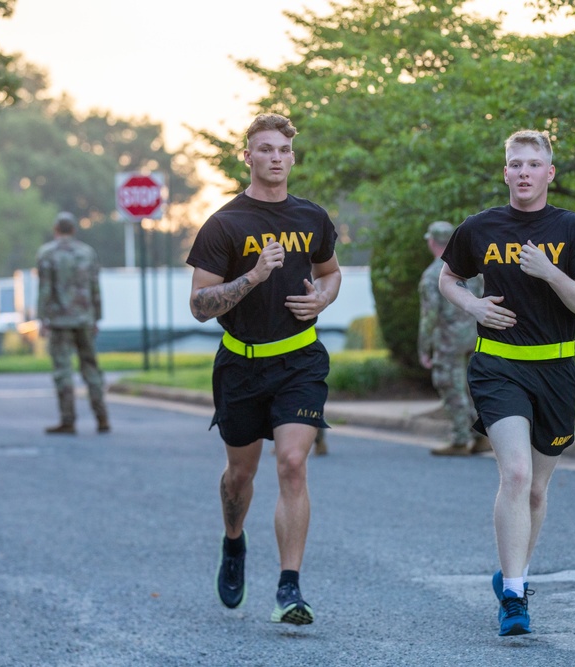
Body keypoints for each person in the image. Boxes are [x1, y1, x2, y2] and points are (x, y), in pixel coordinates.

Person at [438, 130, 575, 636]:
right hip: (497, 365)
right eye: (516, 164)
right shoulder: (479, 228)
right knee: (514, 474)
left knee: (536, 489)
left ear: (550, 173)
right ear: (505, 171)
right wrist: (473, 306)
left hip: (554, 369)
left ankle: (514, 572)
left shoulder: (574, 230)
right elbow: (449, 278)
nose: (524, 172)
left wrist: (551, 272)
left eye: (534, 164)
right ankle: (514, 597)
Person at [186, 112, 341, 626]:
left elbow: (330, 272)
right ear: (247, 156)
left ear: (292, 157)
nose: (275, 158)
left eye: (283, 150)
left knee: (293, 463)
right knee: (239, 475)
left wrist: (321, 300)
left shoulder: (312, 217)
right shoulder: (225, 224)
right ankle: (234, 543)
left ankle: (289, 588)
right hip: (242, 365)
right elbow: (200, 304)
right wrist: (254, 275)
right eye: (265, 149)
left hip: (300, 359)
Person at [418, 220, 490, 457]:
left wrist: (423, 348)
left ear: (431, 242)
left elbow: (429, 316)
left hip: (449, 339)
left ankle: (460, 439)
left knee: (449, 385)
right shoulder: (474, 270)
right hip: (476, 336)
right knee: (473, 387)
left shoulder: (432, 275)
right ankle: (481, 436)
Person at [36, 211, 110, 435]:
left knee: (63, 370)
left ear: (56, 230)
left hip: (59, 321)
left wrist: (42, 318)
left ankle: (68, 420)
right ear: (74, 230)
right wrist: (96, 317)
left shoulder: (47, 254)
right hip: (85, 319)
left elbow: (45, 289)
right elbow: (95, 288)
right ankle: (102, 418)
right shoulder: (87, 253)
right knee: (91, 368)